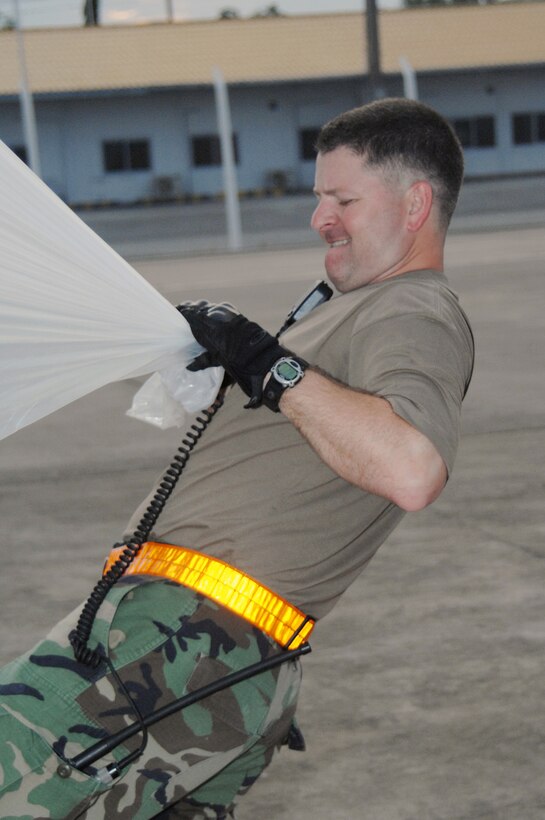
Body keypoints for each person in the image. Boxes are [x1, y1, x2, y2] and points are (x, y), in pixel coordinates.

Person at [0, 98, 474, 819]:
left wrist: (269, 367)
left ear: (414, 204)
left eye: (342, 198)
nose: (320, 218)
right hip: (200, 652)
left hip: (178, 640)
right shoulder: (352, 309)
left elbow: (410, 469)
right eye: (319, 197)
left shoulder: (410, 309)